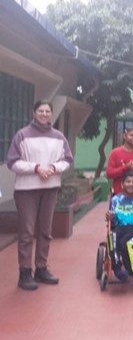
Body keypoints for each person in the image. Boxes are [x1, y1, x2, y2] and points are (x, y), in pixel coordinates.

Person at [7, 100, 73, 291]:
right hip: (26, 190)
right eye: (40, 111)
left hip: (50, 188)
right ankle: (25, 272)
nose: (44, 114)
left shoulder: (59, 137)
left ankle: (41, 268)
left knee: (45, 231)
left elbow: (67, 160)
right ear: (34, 113)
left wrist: (53, 168)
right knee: (27, 232)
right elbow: (13, 162)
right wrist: (37, 168)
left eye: (47, 111)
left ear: (51, 114)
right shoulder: (22, 135)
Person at [106, 126, 133, 195]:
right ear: (124, 136)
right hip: (118, 194)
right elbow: (109, 173)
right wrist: (126, 167)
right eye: (131, 135)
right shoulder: (115, 153)